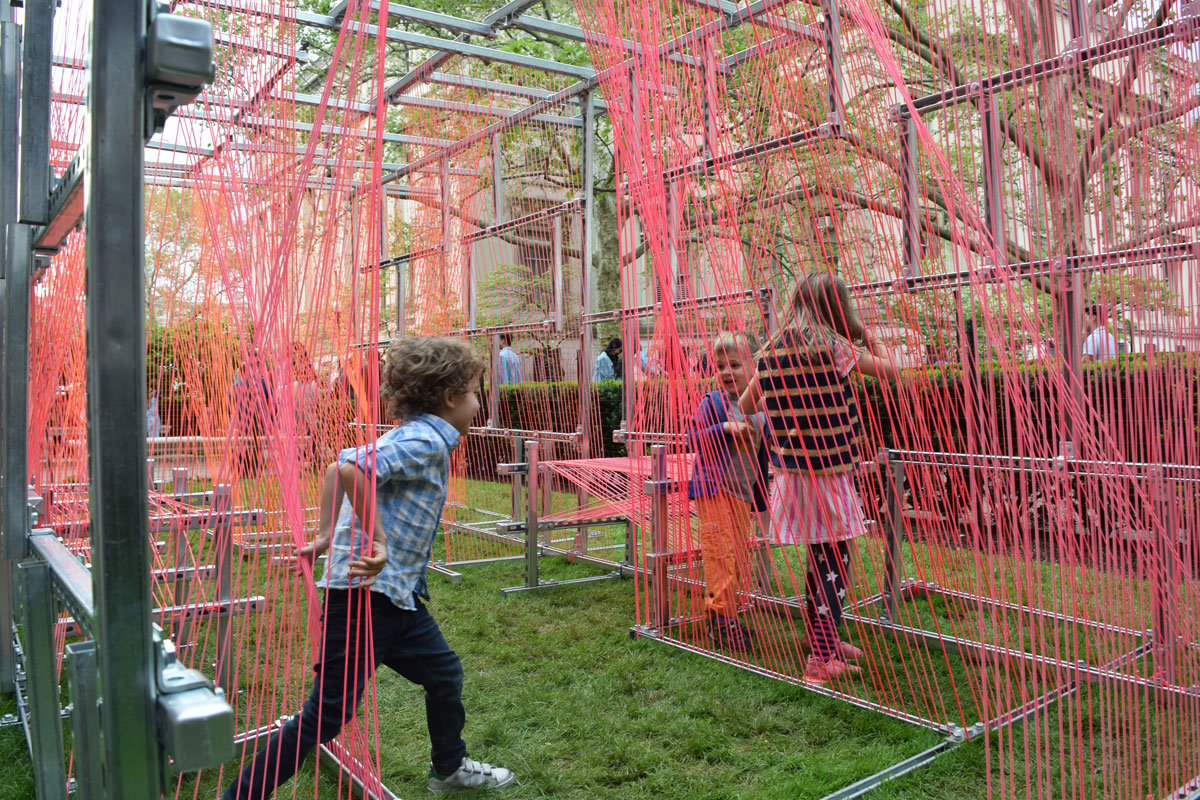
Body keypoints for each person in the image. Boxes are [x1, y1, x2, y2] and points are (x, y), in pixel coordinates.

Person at [220, 336, 514, 799]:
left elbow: (341, 467)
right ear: (451, 397)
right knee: (326, 716)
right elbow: (350, 468)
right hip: (364, 595)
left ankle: (450, 768)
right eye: (476, 392)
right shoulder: (425, 439)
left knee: (444, 674)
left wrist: (322, 535)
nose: (478, 402)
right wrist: (375, 538)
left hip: (392, 593)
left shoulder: (417, 434)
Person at [740, 271, 901, 684]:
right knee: (835, 560)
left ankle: (821, 639)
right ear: (838, 308)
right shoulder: (835, 348)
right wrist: (865, 334)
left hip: (790, 474)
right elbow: (892, 372)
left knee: (818, 557)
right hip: (828, 473)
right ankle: (821, 657)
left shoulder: (772, 350)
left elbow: (745, 403)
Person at [688, 331, 770, 652]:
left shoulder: (760, 406)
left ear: (754, 368)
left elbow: (764, 453)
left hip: (741, 494)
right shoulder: (714, 403)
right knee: (720, 555)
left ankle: (727, 614)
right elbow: (693, 438)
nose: (725, 372)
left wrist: (759, 498)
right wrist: (724, 428)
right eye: (720, 365)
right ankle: (721, 622)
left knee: (735, 558)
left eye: (734, 365)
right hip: (716, 490)